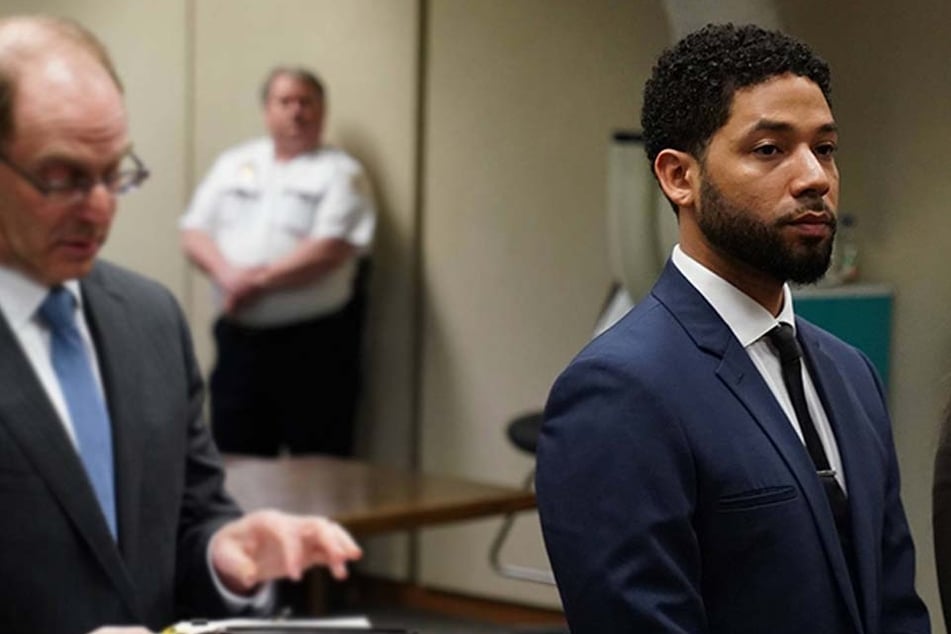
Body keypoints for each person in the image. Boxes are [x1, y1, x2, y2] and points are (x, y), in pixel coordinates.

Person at [536, 23, 930, 633]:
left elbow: (896, 608)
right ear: (679, 177)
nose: (815, 179)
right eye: (770, 150)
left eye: (824, 148)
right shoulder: (619, 390)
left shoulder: (852, 375)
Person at [0, 15, 361, 634]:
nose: (99, 208)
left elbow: (189, 524)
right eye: (62, 178)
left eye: (115, 174)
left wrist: (225, 557)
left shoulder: (150, 322)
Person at [181, 66, 375, 458]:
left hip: (314, 348)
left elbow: (329, 248)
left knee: (320, 473)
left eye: (307, 102)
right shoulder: (234, 164)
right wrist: (228, 275)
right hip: (240, 342)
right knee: (236, 465)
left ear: (323, 111)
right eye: (285, 101)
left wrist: (253, 282)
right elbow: (194, 231)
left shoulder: (342, 173)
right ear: (267, 110)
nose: (296, 112)